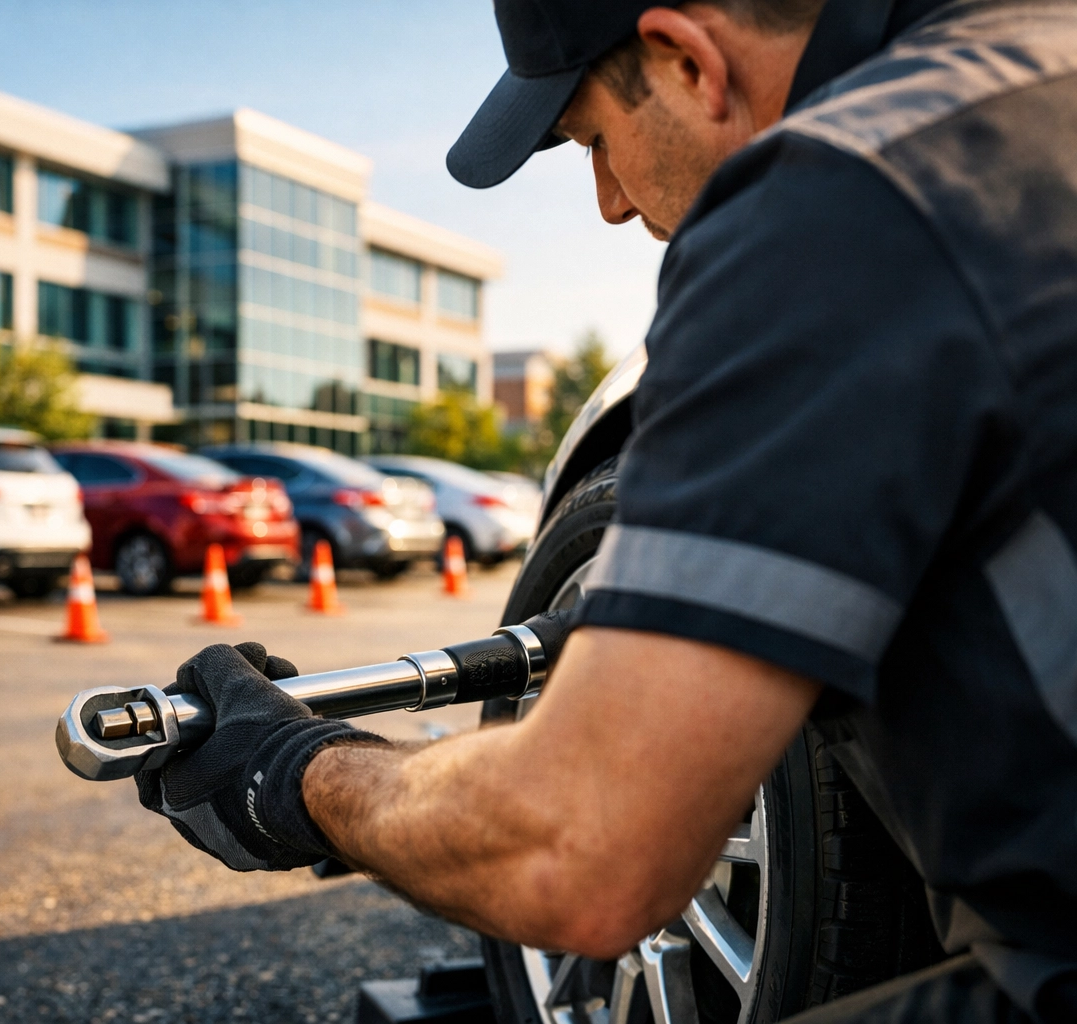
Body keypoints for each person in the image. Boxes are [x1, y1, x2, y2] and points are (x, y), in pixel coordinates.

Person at [132, 1, 1077, 1020]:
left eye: (593, 140)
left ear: (685, 59)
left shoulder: (836, 194)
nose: (610, 204)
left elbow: (581, 849)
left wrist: (293, 773)